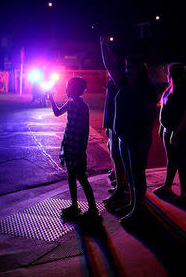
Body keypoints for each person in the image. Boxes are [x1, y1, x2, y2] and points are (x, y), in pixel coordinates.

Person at [100, 36, 159, 224]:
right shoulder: (124, 85)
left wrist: (141, 139)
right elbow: (110, 66)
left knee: (137, 173)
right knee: (130, 172)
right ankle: (133, 204)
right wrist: (103, 46)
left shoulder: (146, 91)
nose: (126, 70)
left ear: (138, 69)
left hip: (137, 139)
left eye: (129, 67)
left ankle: (138, 208)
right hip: (125, 138)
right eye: (126, 67)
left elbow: (149, 119)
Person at [49, 77, 99, 220]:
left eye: (68, 87)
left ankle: (93, 208)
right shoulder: (70, 104)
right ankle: (74, 205)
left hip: (77, 149)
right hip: (69, 145)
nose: (66, 89)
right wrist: (51, 98)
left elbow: (85, 131)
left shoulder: (83, 107)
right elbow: (57, 112)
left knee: (82, 178)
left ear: (75, 89)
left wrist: (82, 151)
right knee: (71, 176)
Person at [155, 63, 186, 199]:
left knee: (181, 159)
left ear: (175, 75)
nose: (167, 75)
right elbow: (164, 108)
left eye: (169, 73)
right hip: (168, 128)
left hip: (178, 130)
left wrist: (175, 132)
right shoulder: (171, 88)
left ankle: (184, 193)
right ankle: (167, 186)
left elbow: (185, 113)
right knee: (171, 159)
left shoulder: (183, 91)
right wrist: (162, 127)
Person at [102, 72, 129, 207]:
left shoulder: (121, 78)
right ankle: (120, 185)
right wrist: (107, 124)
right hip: (112, 122)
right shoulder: (113, 79)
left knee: (118, 156)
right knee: (114, 154)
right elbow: (109, 103)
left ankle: (121, 190)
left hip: (117, 122)